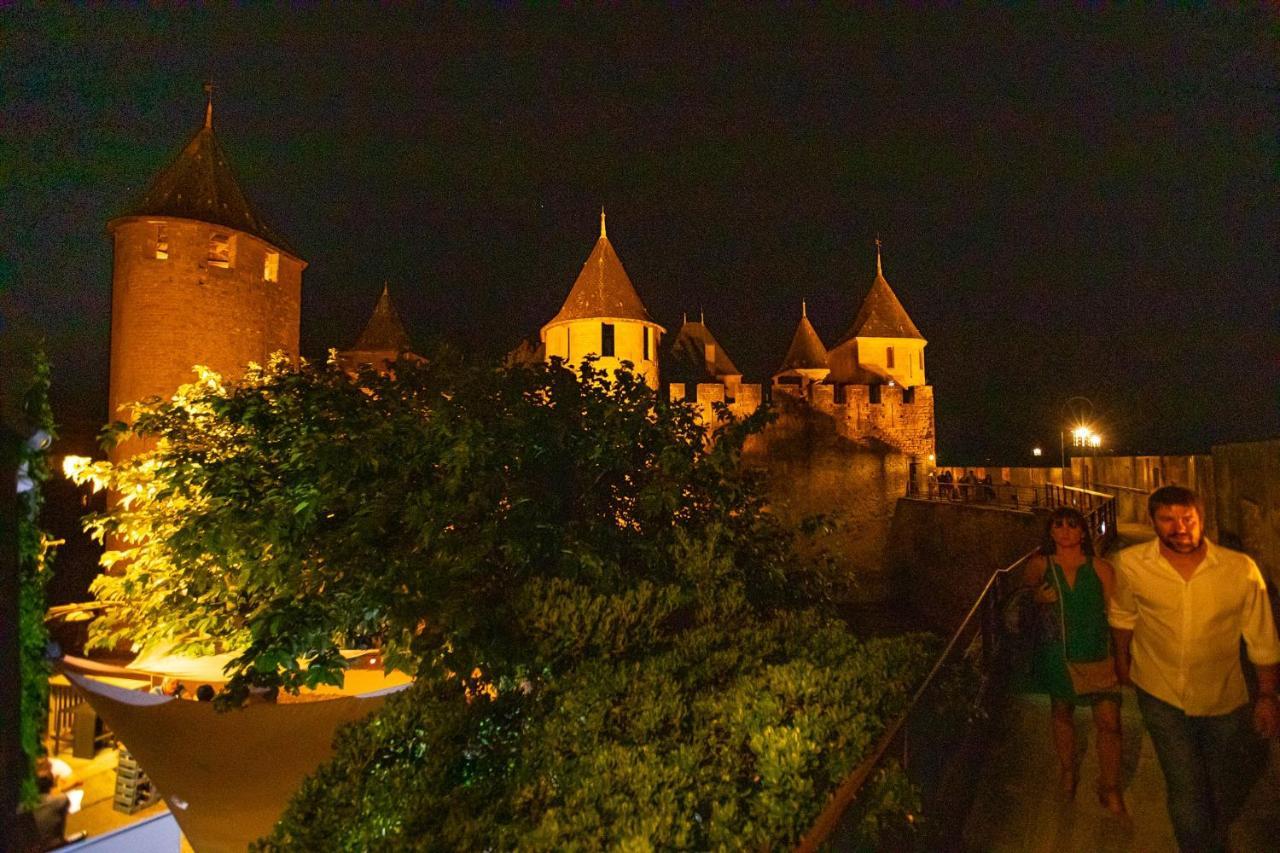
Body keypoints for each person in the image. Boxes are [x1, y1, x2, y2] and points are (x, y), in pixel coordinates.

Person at [1110, 485, 1280, 852]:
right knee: (1185, 786)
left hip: (1223, 697)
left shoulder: (1239, 570)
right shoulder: (1132, 565)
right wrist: (1121, 661)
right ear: (1153, 522)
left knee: (1220, 785)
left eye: (1187, 518)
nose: (1179, 527)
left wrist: (1267, 696)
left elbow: (1262, 639)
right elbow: (1123, 615)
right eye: (1168, 519)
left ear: (1202, 519)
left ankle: (1212, 833)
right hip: (1160, 692)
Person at [1025, 506, 1127, 814]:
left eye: (1072, 525)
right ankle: (1068, 770)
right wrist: (1037, 597)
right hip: (1058, 650)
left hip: (1096, 651)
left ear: (1083, 532)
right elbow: (1025, 594)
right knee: (1061, 711)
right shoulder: (1040, 565)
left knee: (1109, 722)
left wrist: (1123, 656)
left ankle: (1109, 786)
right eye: (1058, 525)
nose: (1065, 530)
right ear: (1051, 532)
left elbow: (1118, 612)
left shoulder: (1100, 567)